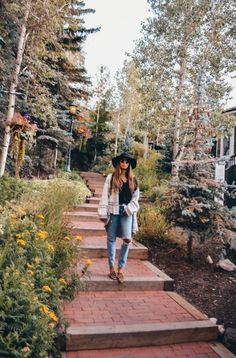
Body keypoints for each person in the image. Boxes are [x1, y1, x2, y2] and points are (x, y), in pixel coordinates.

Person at [98, 152, 140, 283]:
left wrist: (129, 209)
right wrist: (103, 212)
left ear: (129, 164)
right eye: (122, 161)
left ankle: (120, 268)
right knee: (111, 239)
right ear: (118, 163)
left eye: (127, 162)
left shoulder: (133, 180)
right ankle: (111, 268)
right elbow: (105, 195)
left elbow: (136, 198)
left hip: (126, 212)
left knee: (127, 240)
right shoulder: (111, 178)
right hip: (114, 211)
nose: (124, 163)